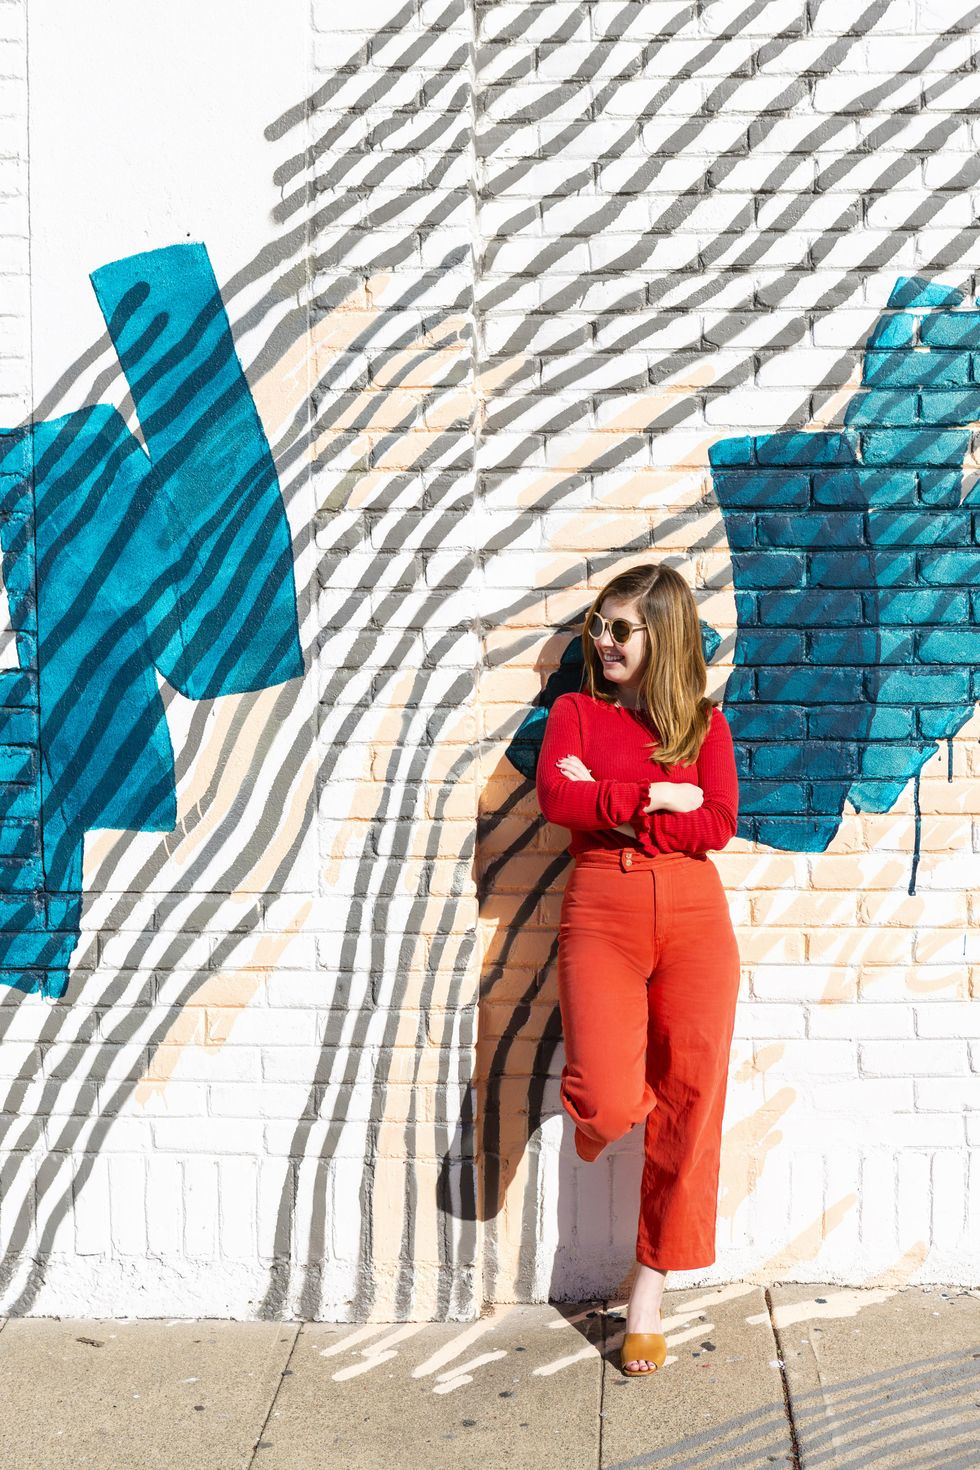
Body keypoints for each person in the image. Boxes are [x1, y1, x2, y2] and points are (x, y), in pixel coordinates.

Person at [535, 562, 741, 1378]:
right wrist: (660, 799)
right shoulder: (575, 714)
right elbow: (558, 798)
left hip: (695, 919)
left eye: (623, 628)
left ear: (665, 635)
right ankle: (613, 1120)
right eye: (599, 625)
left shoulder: (703, 724)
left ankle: (648, 1293)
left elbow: (718, 822)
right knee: (609, 1096)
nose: (605, 640)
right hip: (602, 911)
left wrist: (613, 796)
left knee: (690, 1104)